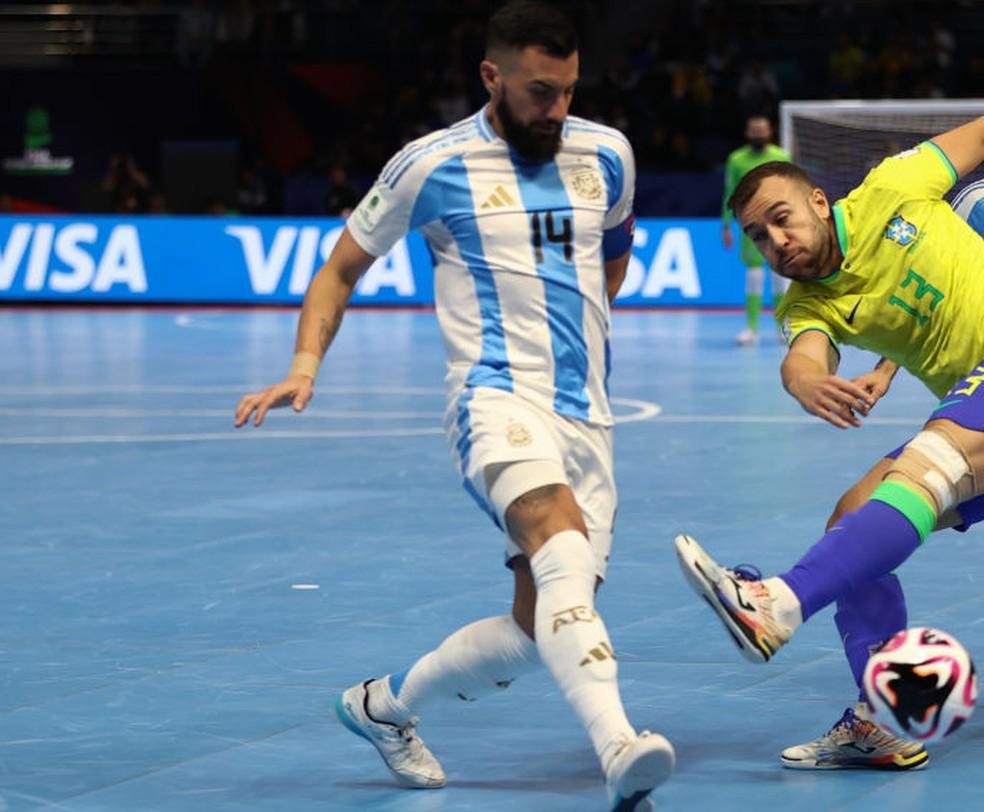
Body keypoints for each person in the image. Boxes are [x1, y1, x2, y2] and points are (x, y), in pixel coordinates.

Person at [233, 2, 674, 809]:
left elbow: (613, 256)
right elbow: (339, 270)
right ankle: (620, 747)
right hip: (493, 397)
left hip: (589, 416)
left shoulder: (607, 153)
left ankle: (383, 707)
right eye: (541, 91)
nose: (558, 109)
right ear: (491, 76)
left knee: (540, 628)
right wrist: (304, 365)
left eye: (569, 91)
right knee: (559, 540)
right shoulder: (427, 165)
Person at [673, 118, 984, 771]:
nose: (777, 242)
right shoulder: (807, 303)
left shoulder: (897, 185)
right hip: (973, 402)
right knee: (853, 512)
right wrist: (807, 383)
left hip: (970, 412)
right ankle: (882, 719)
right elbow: (803, 359)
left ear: (819, 200)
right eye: (760, 237)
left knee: (933, 459)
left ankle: (780, 602)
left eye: (783, 220)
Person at [721, 115, 791, 345]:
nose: (758, 134)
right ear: (748, 133)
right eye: (754, 130)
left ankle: (783, 328)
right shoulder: (736, 159)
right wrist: (726, 225)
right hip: (751, 226)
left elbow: (790, 192)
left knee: (780, 276)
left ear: (769, 131)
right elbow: (730, 192)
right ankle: (751, 328)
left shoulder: (781, 157)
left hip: (778, 226)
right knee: (754, 276)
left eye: (762, 130)